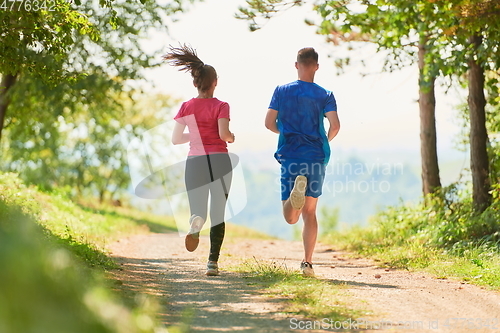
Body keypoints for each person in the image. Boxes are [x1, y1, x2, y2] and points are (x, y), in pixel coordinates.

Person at [265, 47, 340, 277]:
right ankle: (307, 264)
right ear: (316, 66)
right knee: (310, 212)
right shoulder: (325, 94)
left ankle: (294, 193)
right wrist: (323, 141)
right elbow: (335, 126)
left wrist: (286, 132)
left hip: (291, 155)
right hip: (316, 156)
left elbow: (268, 123)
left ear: (296, 65)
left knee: (290, 217)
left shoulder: (281, 91)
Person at [163, 44, 235, 276]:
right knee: (218, 213)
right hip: (220, 161)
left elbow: (175, 139)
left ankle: (195, 222)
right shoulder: (221, 106)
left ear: (195, 83)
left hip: (195, 162)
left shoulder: (187, 106)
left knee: (199, 210)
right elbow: (224, 135)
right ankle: (212, 263)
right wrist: (231, 137)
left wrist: (195, 135)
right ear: (215, 82)